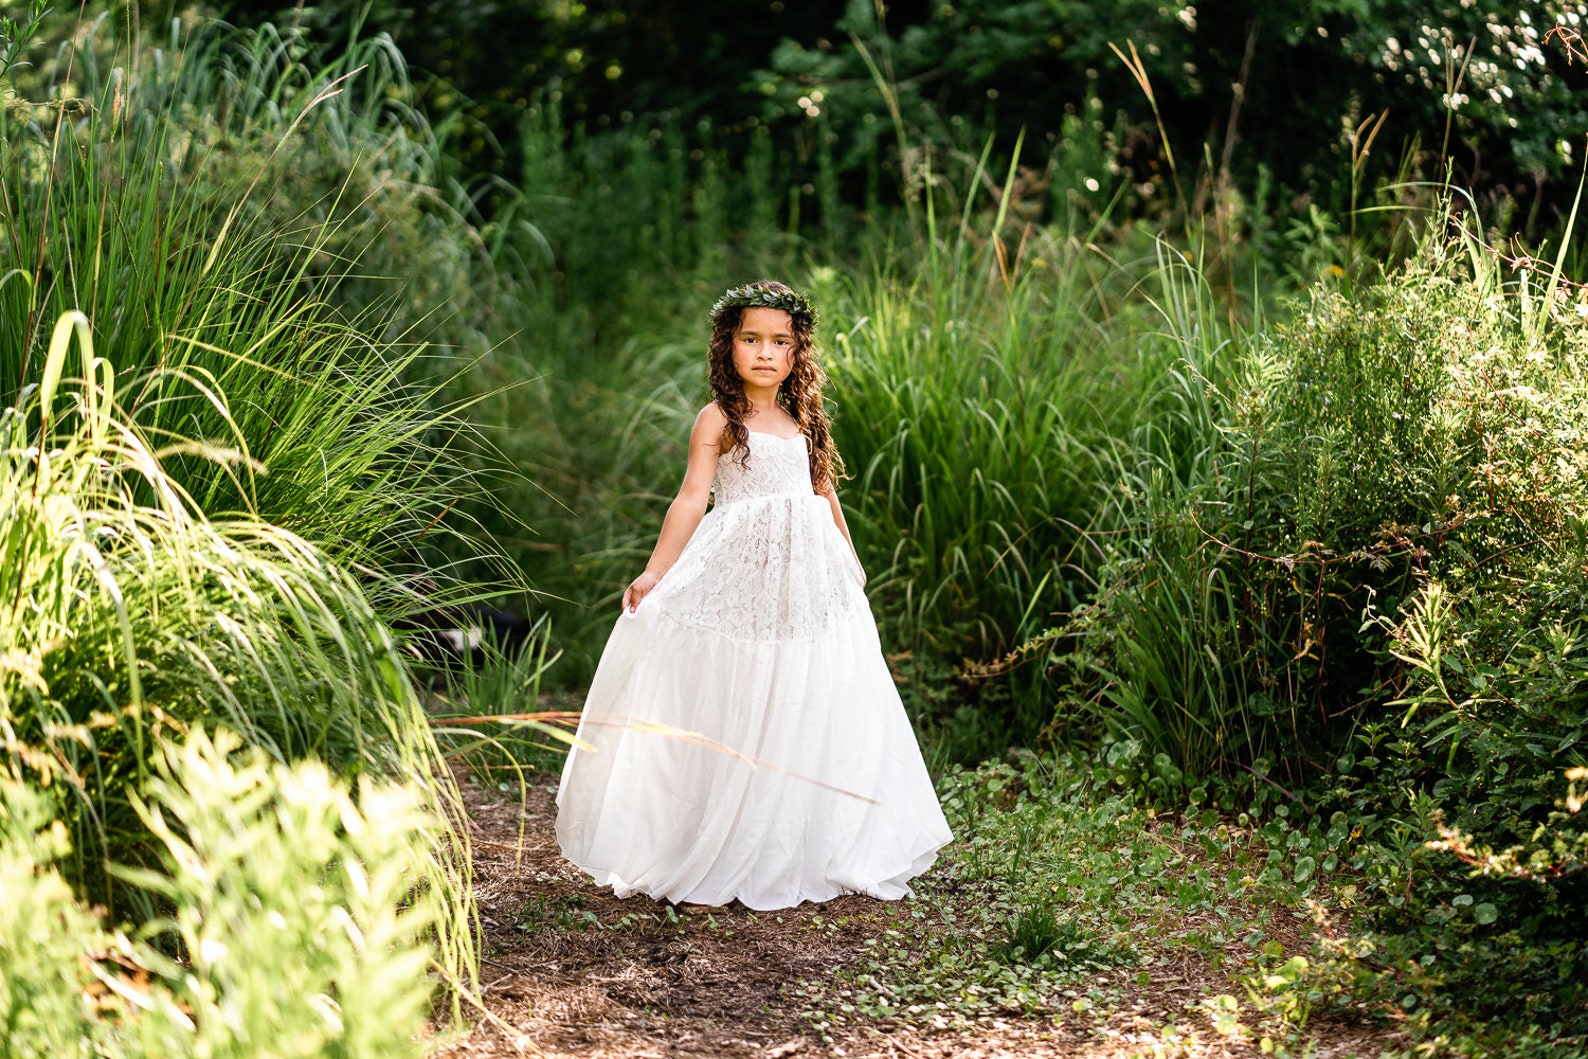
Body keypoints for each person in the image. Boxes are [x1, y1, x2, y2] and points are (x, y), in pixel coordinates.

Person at [555, 280, 951, 910]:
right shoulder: (720, 419)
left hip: (805, 572)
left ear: (797, 354)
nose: (765, 353)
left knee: (805, 683)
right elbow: (692, 497)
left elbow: (823, 495)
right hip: (738, 565)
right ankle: (719, 827)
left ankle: (798, 839)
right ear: (728, 346)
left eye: (779, 342)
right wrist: (656, 572)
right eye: (751, 339)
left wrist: (848, 557)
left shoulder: (805, 421)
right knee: (742, 682)